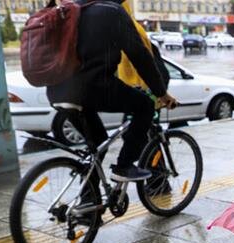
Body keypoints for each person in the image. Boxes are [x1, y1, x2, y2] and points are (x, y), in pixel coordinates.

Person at [46, 0, 178, 182]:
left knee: (98, 144)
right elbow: (139, 56)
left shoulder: (69, 10)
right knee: (145, 106)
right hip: (93, 88)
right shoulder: (112, 11)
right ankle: (124, 166)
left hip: (56, 90)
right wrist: (161, 93)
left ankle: (88, 202)